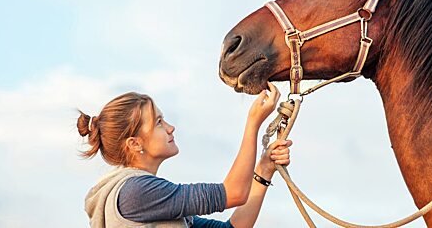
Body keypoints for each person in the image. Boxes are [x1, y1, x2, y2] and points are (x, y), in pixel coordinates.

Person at [77, 82, 292, 227]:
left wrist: (263, 169)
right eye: (158, 123)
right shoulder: (137, 192)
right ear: (134, 143)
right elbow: (234, 193)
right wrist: (253, 124)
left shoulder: (147, 195)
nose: (170, 128)